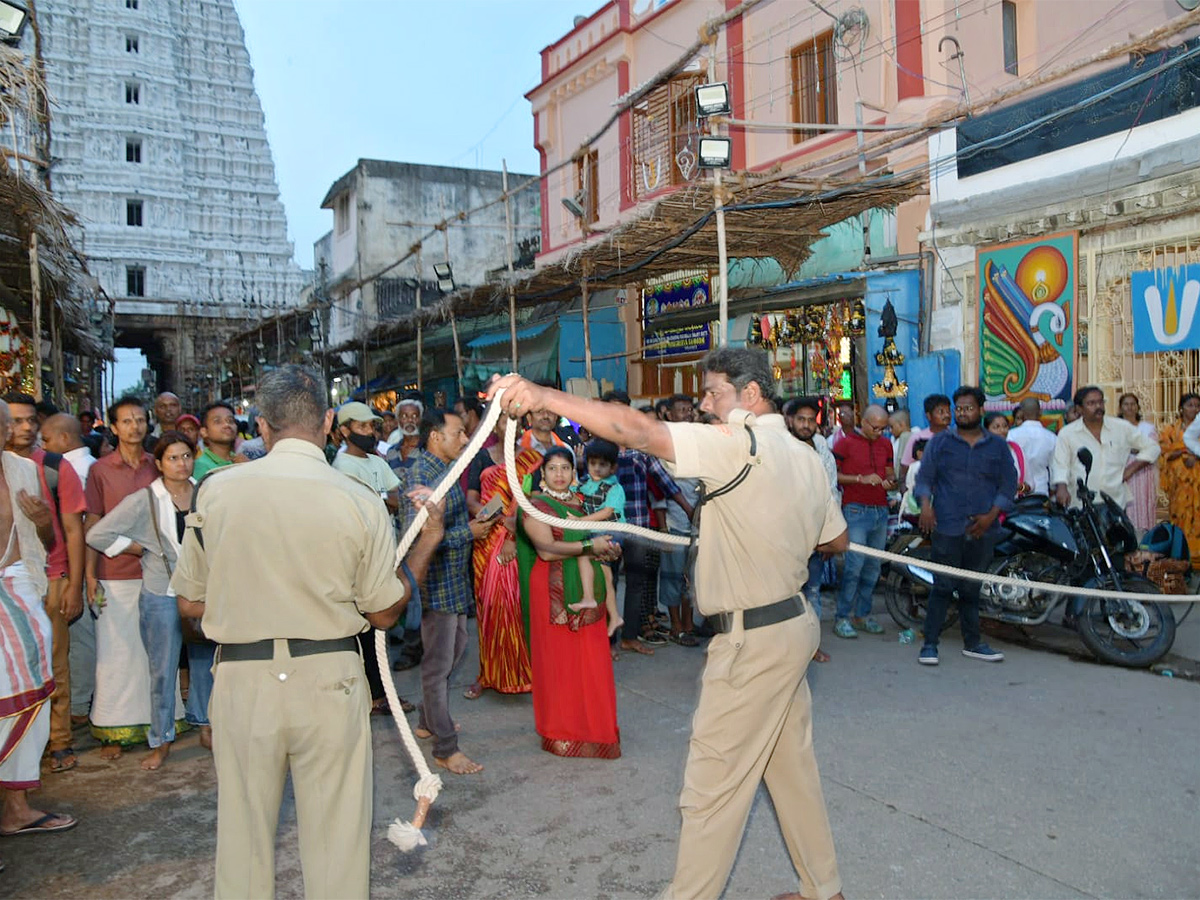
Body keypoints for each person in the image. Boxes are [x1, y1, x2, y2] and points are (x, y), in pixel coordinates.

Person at [488, 347, 851, 900]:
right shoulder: (804, 454)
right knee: (790, 769)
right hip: (793, 625)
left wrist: (542, 396)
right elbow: (836, 542)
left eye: (714, 393)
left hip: (752, 640)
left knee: (711, 789)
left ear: (750, 397)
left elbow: (635, 430)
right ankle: (824, 889)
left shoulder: (740, 442)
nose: (704, 405)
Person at [170, 365, 443, 898]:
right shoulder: (358, 497)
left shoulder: (217, 493)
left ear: (263, 428)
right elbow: (384, 613)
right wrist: (427, 541)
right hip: (329, 679)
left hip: (243, 681)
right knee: (337, 842)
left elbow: (189, 603)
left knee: (243, 839)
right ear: (328, 422)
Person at [85, 432, 201, 769]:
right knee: (163, 672)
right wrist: (139, 546)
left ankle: (205, 725)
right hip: (160, 594)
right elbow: (96, 534)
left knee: (205, 663)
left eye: (186, 456)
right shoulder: (146, 499)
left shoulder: (205, 493)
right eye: (173, 458)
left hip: (201, 592)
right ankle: (160, 740)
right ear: (159, 464)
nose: (181, 464)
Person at [0, 400, 77, 844]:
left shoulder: (23, 472)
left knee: (31, 696)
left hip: (19, 588)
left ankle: (15, 809)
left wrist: (45, 522)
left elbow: (44, 543)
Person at [517, 447, 623, 759]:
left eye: (565, 468)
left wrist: (607, 550)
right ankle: (562, 732)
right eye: (553, 469)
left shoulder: (581, 503)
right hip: (551, 590)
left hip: (588, 589)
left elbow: (592, 546)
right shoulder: (534, 506)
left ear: (573, 473)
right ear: (543, 473)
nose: (560, 474)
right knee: (560, 664)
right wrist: (592, 544)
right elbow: (547, 550)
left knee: (590, 662)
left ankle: (596, 731)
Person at [409, 408, 491, 775]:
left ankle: (428, 720)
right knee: (438, 666)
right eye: (458, 433)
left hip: (454, 582)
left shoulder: (444, 470)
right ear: (435, 437)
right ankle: (445, 747)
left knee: (456, 649)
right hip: (436, 586)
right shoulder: (420, 476)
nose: (464, 439)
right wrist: (469, 534)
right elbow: (416, 541)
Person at [84, 396, 164, 757]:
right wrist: (88, 576)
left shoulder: (158, 464)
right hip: (114, 572)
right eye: (126, 421)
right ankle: (113, 731)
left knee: (154, 651)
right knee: (116, 653)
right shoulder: (100, 470)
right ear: (113, 428)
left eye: (139, 420)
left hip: (157, 572)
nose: (135, 426)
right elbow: (92, 523)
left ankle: (157, 725)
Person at [915, 386, 1016, 666]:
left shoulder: (997, 446)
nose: (962, 412)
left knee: (972, 589)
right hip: (947, 526)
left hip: (983, 529)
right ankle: (930, 645)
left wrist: (990, 515)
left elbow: (1008, 485)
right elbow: (925, 478)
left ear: (981, 410)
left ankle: (973, 643)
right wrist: (926, 505)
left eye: (968, 407)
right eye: (958, 408)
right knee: (942, 587)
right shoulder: (940, 443)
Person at [462, 423, 540, 701]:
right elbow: (470, 498)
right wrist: (492, 515)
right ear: (496, 424)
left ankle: (526, 673)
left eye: (517, 419)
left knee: (518, 605)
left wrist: (513, 531)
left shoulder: (532, 458)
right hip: (486, 537)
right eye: (506, 419)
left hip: (520, 537)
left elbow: (534, 501)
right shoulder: (482, 457)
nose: (511, 425)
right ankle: (487, 674)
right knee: (489, 605)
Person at [41, 413, 97, 729]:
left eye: (46, 439)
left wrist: (78, 580)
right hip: (76, 568)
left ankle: (77, 706)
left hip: (76, 567)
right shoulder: (79, 467)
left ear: (64, 439)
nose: (43, 446)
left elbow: (80, 528)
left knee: (78, 641)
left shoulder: (70, 469)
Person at [831, 405, 894, 639]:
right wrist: (860, 479)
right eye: (875, 427)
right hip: (855, 510)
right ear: (863, 421)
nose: (879, 432)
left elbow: (890, 474)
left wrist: (890, 482)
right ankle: (842, 617)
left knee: (873, 568)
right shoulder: (844, 443)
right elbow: (832, 474)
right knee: (854, 566)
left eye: (883, 428)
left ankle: (863, 614)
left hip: (880, 510)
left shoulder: (886, 444)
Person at [784, 396, 837, 663]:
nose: (806, 425)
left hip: (816, 537)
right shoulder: (779, 449)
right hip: (785, 537)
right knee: (784, 593)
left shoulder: (822, 451)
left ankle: (811, 645)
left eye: (810, 420)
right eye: (800, 420)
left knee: (812, 592)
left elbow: (831, 493)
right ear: (789, 420)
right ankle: (786, 648)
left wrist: (830, 534)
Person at [1052, 386, 1160, 509]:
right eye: (1091, 403)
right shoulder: (1067, 433)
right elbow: (1060, 464)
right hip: (1081, 503)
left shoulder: (1121, 427)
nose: (1098, 406)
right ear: (1079, 409)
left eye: (1100, 402)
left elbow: (1153, 448)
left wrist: (1129, 471)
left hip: (1115, 501)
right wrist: (1061, 487)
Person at [660, 394, 702, 647]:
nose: (686, 413)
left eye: (689, 409)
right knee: (672, 577)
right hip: (674, 524)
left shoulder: (698, 441)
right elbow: (661, 488)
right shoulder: (663, 443)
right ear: (669, 414)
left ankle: (689, 623)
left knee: (692, 577)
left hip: (697, 526)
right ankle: (676, 625)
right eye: (681, 410)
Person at [573, 438, 625, 633]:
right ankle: (612, 615)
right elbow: (573, 493)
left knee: (603, 573)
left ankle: (610, 613)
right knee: (602, 573)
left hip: (610, 532)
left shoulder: (615, 488)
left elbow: (607, 512)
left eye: (602, 465)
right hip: (595, 531)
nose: (596, 468)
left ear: (613, 468)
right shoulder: (586, 483)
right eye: (592, 463)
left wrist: (580, 521)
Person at [332, 402, 400, 515]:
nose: (370, 431)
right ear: (345, 431)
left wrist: (380, 496)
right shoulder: (343, 466)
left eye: (372, 425)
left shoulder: (378, 461)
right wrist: (386, 498)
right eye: (362, 426)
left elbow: (400, 497)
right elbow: (361, 509)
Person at [1158, 393, 1200, 567]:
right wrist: (1182, 453)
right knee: (1180, 515)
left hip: (1197, 481)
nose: (1194, 409)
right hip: (1179, 484)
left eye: (1197, 406)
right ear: (1181, 408)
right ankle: (1181, 556)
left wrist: (1196, 457)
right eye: (1190, 405)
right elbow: (1163, 451)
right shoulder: (1170, 430)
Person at [1118, 392, 1159, 533]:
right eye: (1126, 404)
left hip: (1142, 474)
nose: (1129, 407)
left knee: (1141, 507)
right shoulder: (1114, 428)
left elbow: (1152, 450)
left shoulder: (1147, 428)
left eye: (1132, 404)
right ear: (1120, 408)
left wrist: (1132, 449)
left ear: (1137, 407)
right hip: (1120, 473)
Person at [1007, 396, 1056, 495]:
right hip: (1041, 490)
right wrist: (1053, 488)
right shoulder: (1052, 438)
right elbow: (1054, 468)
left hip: (1017, 490)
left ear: (1021, 413)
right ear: (1040, 412)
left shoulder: (1011, 435)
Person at [899, 393, 951, 477]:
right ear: (928, 416)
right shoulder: (918, 438)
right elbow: (904, 468)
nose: (947, 415)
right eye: (941, 412)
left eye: (948, 411)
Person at [192, 402, 245, 481]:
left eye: (230, 421)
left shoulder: (241, 460)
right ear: (204, 432)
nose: (227, 425)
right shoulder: (200, 466)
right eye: (218, 421)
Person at [985, 412, 1027, 495]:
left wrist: (1019, 487)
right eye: (996, 427)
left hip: (1015, 503)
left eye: (1005, 426)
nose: (1002, 430)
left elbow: (1030, 484)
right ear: (986, 430)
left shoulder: (1017, 450)